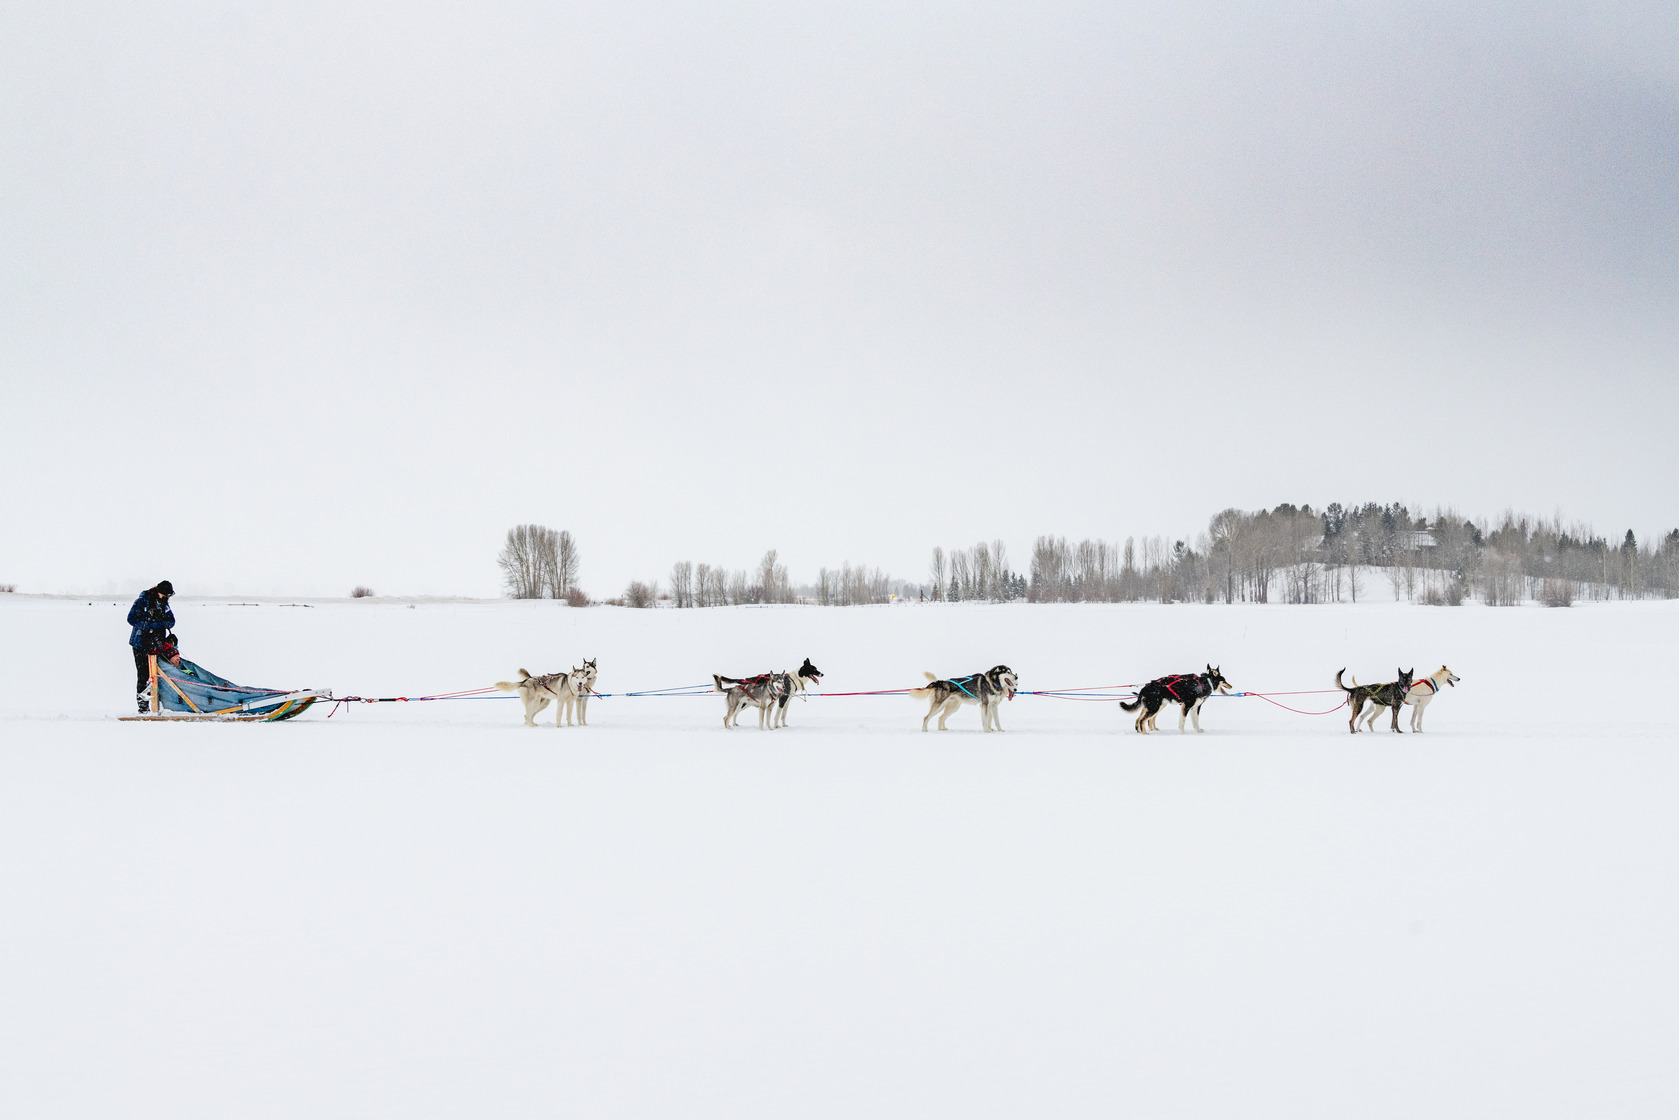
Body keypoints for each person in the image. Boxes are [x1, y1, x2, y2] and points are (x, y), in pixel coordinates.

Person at [127, 580, 175, 712]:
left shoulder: (164, 604)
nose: (167, 598)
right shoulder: (142, 601)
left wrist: (159, 625)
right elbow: (131, 619)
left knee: (156, 674)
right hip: (140, 644)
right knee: (143, 675)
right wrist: (148, 626)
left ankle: (155, 702)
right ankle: (143, 706)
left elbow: (171, 621)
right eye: (165, 595)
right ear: (159, 592)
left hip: (156, 644)